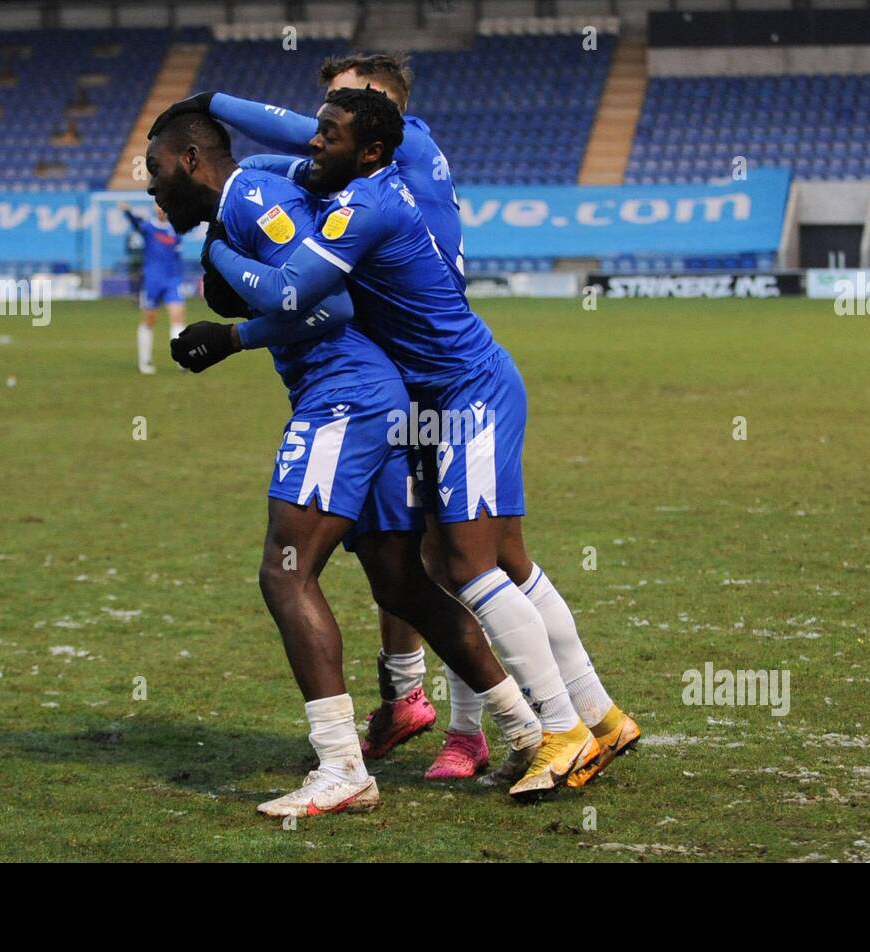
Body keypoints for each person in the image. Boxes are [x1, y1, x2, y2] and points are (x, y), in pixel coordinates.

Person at [193, 88, 628, 797]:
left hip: (469, 392)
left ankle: (563, 732)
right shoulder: (356, 183)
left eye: (329, 134)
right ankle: (594, 717)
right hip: (436, 394)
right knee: (459, 561)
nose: (314, 144)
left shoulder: (365, 206)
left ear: (370, 148)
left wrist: (219, 253)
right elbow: (281, 150)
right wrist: (215, 112)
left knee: (472, 566)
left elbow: (298, 294)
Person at [145, 111, 544, 814]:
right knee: (401, 583)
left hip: (345, 396)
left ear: (186, 159)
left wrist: (227, 305)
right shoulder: (256, 195)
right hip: (372, 394)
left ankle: (341, 767)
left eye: (153, 172)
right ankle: (525, 726)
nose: (152, 192)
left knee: (286, 571)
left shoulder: (249, 203)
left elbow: (327, 306)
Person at [119, 202, 186, 374]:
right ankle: (145, 361)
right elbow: (135, 223)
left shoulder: (175, 231)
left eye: (164, 206)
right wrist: (127, 211)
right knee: (149, 320)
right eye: (159, 205)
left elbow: (177, 257)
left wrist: (179, 278)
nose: (162, 209)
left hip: (172, 281)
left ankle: (182, 361)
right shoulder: (148, 227)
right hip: (152, 282)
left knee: (177, 318)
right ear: (155, 209)